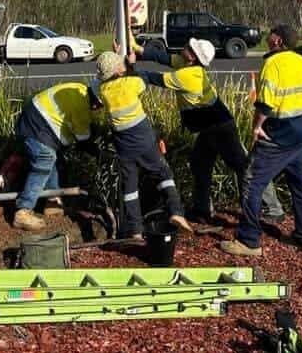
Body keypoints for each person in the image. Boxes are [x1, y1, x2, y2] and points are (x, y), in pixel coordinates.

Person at [131, 36, 285, 223]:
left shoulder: (189, 76)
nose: (186, 46)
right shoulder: (187, 64)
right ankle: (202, 209)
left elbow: (151, 78)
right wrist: (137, 48)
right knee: (200, 164)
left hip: (219, 128)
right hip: (208, 127)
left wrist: (129, 68)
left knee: (244, 167)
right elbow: (163, 57)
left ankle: (273, 209)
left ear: (193, 57)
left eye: (190, 46)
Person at [221, 23, 302, 258]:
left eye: (271, 36)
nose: (268, 38)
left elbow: (265, 104)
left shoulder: (272, 64)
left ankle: (249, 241)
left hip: (277, 136)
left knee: (251, 182)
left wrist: (257, 127)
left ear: (277, 41)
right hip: (300, 133)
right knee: (301, 186)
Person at [94, 50, 192, 238]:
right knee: (163, 173)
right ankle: (176, 212)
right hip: (143, 137)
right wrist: (130, 64)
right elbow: (140, 81)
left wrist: (121, 63)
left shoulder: (103, 90)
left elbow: (115, 78)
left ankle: (135, 230)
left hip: (122, 144)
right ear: (118, 70)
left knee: (130, 188)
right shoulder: (131, 83)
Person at [13, 81, 99, 232]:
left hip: (31, 117)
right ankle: (23, 211)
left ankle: (53, 201)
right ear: (96, 103)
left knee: (52, 159)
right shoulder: (82, 108)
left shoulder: (79, 88)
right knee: (45, 159)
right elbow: (83, 139)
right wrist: (95, 151)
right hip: (38, 127)